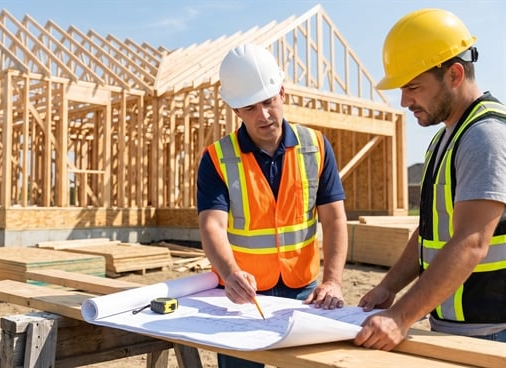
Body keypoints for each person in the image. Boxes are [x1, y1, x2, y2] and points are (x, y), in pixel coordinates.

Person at [354, 8, 506, 351]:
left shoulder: (485, 136)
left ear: (454, 74)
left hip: (491, 333)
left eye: (414, 87)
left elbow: (471, 241)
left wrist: (400, 317)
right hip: (456, 327)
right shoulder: (445, 138)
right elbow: (430, 229)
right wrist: (389, 287)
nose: (405, 101)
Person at [196, 43, 349, 368]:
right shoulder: (217, 158)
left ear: (282, 92)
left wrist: (333, 280)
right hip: (243, 293)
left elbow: (334, 220)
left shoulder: (316, 147)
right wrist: (230, 273)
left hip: (303, 289)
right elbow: (212, 225)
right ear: (236, 110)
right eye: (250, 108)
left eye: (268, 102)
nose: (264, 115)